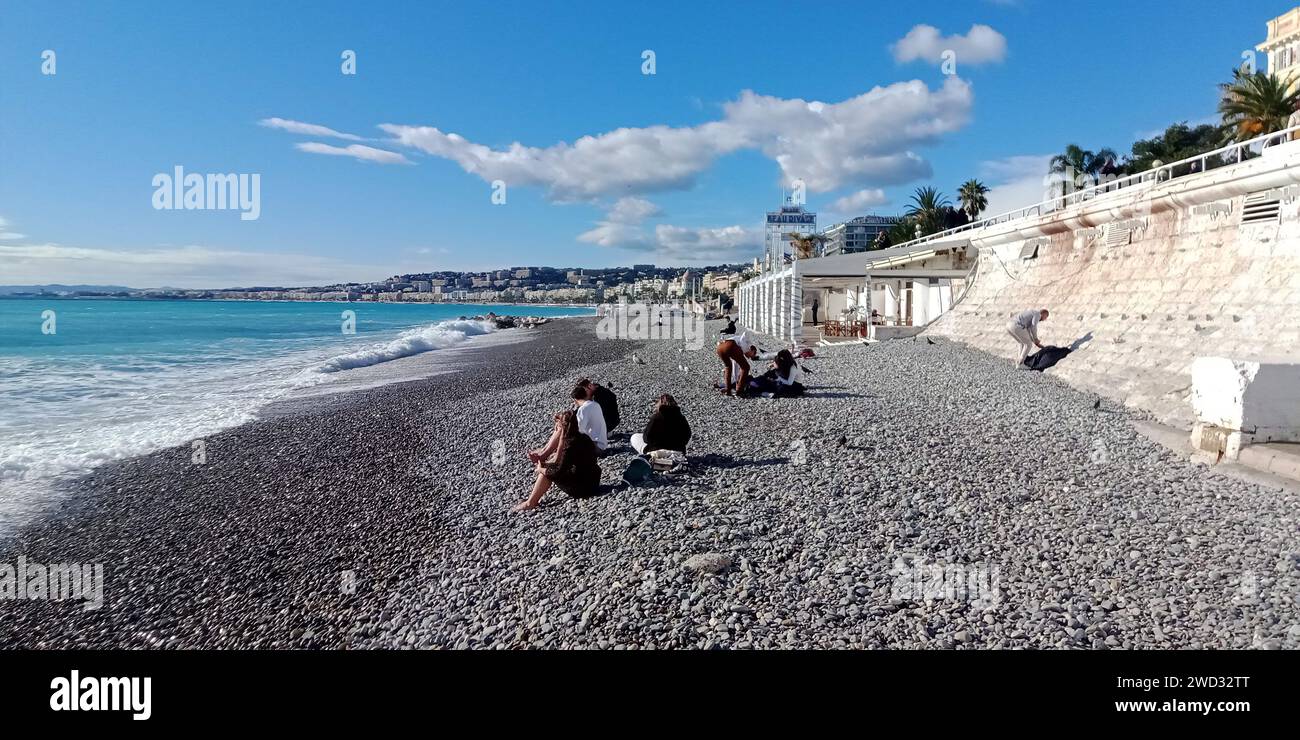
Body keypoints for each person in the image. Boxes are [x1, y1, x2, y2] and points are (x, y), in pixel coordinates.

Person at [514, 410, 600, 511]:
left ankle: (530, 503)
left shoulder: (570, 444)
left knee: (546, 473)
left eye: (558, 426)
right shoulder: (583, 437)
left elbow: (557, 472)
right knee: (549, 466)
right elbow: (560, 459)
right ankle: (531, 500)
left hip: (583, 488)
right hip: (593, 482)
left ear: (563, 427)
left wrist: (541, 469)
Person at [716, 330, 759, 396]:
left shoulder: (739, 347)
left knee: (728, 367)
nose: (750, 357)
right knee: (746, 367)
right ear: (752, 349)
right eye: (753, 354)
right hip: (730, 345)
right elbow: (744, 335)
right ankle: (739, 391)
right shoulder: (747, 345)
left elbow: (735, 366)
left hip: (720, 347)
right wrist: (738, 383)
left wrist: (736, 380)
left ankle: (728, 389)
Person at [571, 385, 609, 452]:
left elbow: (579, 430)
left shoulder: (583, 409)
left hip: (595, 447)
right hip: (603, 444)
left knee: (568, 434)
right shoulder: (596, 404)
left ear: (575, 400)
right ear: (586, 395)